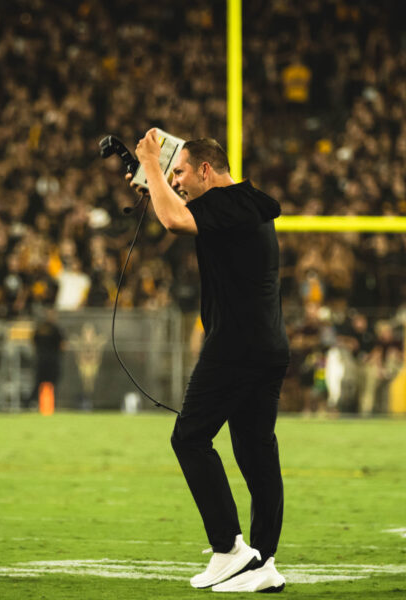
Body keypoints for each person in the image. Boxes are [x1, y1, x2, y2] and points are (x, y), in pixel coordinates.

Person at [132, 129, 289, 592]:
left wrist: (149, 162)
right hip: (266, 344)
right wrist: (155, 179)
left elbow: (175, 222)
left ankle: (229, 548)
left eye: (179, 171)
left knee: (191, 438)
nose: (174, 180)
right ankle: (263, 562)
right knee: (256, 450)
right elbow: (179, 210)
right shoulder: (246, 204)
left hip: (235, 346)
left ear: (206, 169)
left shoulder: (229, 203)